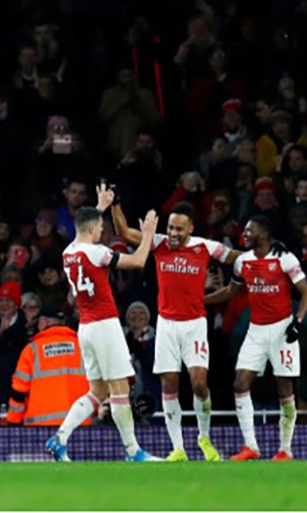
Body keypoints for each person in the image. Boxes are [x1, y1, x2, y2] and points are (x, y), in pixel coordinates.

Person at [111, 195, 237, 462]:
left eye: (179, 228)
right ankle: (178, 448)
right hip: (167, 325)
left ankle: (203, 438)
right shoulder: (159, 243)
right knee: (169, 384)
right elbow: (123, 232)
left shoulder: (205, 247)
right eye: (170, 227)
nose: (173, 233)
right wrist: (116, 203)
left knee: (199, 384)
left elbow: (236, 258)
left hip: (194, 325)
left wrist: (262, 256)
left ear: (191, 228)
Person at [47, 199, 160, 462]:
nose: (102, 232)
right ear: (91, 228)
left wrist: (101, 205)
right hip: (105, 325)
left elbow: (86, 226)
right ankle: (134, 452)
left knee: (97, 391)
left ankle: (60, 438)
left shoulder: (68, 253)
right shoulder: (96, 252)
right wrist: (148, 235)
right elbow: (139, 261)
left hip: (85, 327)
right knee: (120, 390)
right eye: (100, 227)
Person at [204, 216, 307, 460]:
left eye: (249, 230)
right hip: (256, 330)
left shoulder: (284, 259)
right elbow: (233, 291)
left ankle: (285, 449)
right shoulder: (243, 261)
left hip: (282, 329)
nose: (245, 234)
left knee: (285, 389)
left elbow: (306, 293)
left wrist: (298, 322)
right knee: (240, 383)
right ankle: (251, 446)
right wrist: (201, 300)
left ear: (263, 232)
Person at [7, 307, 89, 426]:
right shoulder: (81, 346)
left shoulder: (32, 350)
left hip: (40, 426)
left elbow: (19, 391)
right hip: (79, 424)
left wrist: (13, 422)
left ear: (44, 321)